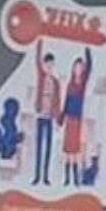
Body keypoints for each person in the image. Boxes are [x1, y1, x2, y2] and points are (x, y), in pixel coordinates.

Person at [62, 48, 92, 187]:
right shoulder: (70, 84)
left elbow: (89, 67)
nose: (78, 69)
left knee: (75, 150)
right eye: (76, 67)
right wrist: (62, 117)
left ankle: (74, 179)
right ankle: (67, 178)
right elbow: (66, 102)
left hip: (77, 119)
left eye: (80, 67)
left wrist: (87, 50)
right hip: (69, 119)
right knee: (68, 150)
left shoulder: (82, 84)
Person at [33, 42, 60, 186]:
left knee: (48, 146)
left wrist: (57, 118)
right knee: (39, 146)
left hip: (49, 116)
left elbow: (58, 100)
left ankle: (45, 176)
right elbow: (37, 61)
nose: (49, 67)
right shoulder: (41, 77)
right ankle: (37, 176)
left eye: (51, 65)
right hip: (40, 115)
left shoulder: (55, 82)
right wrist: (40, 43)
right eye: (47, 64)